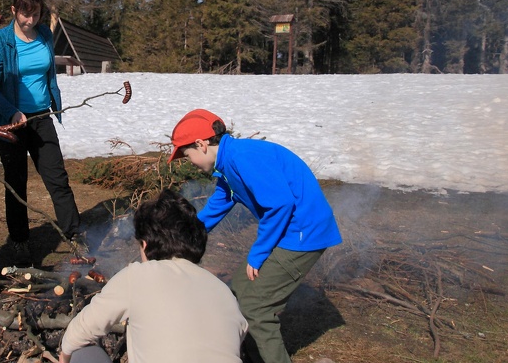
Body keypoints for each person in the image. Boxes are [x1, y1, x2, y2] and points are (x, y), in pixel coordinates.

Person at [167, 109, 343, 363]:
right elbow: (220, 202)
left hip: (303, 234)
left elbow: (280, 204)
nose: (190, 162)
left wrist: (258, 254)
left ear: (201, 144)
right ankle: (252, 355)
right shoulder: (228, 161)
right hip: (290, 231)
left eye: (187, 155)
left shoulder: (244, 157)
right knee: (236, 293)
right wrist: (188, 237)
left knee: (255, 309)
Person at [58, 189, 248, 363]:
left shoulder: (138, 276)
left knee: (83, 353)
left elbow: (81, 330)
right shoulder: (223, 291)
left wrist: (64, 357)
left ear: (146, 244)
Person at [0, 0, 82, 267]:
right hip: (9, 122)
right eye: (25, 15)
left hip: (40, 118)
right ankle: (20, 240)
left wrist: (52, 103)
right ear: (14, 11)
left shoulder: (46, 35)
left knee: (57, 177)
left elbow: (48, 73)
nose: (30, 21)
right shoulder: (0, 41)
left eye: (35, 15)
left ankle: (74, 232)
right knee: (16, 182)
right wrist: (11, 111)